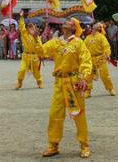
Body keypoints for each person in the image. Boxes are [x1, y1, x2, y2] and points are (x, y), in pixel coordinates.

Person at [41, 18, 93, 158]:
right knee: (55, 115)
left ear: (74, 27)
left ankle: (84, 145)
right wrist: (33, 37)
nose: (66, 22)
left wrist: (84, 77)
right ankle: (53, 145)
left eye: (70, 22)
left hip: (74, 83)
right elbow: (40, 50)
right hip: (59, 83)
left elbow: (86, 61)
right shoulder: (55, 41)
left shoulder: (78, 43)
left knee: (78, 115)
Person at [83, 23, 115, 97]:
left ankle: (110, 88)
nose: (93, 28)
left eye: (95, 27)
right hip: (90, 59)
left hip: (101, 58)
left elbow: (106, 46)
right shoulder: (87, 38)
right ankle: (87, 91)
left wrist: (107, 54)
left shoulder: (101, 37)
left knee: (104, 75)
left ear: (98, 29)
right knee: (88, 75)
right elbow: (83, 48)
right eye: (93, 27)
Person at [15, 16, 43, 89]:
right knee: (22, 70)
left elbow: (39, 47)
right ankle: (19, 82)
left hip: (34, 57)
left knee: (36, 72)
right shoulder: (24, 34)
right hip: (25, 56)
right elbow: (21, 27)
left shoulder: (37, 37)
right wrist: (21, 17)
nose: (30, 28)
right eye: (29, 26)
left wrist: (35, 37)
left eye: (32, 27)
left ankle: (39, 82)